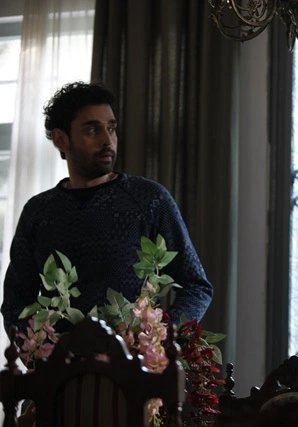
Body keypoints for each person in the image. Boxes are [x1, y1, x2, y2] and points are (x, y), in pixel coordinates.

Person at [1, 81, 213, 334]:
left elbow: (196, 287)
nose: (107, 140)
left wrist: (158, 338)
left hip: (137, 357)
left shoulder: (150, 199)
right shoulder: (38, 212)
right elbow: (15, 305)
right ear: (61, 139)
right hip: (60, 359)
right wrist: (40, 350)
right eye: (92, 130)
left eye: (111, 128)